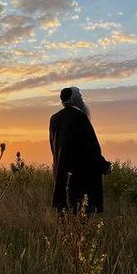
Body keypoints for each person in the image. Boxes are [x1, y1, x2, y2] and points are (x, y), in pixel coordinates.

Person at [49, 86, 111, 214]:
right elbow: (91, 147)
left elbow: (53, 147)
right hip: (82, 175)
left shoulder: (54, 118)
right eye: (81, 97)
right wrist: (103, 165)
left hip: (61, 174)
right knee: (82, 213)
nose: (82, 99)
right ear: (76, 100)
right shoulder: (80, 117)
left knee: (65, 214)